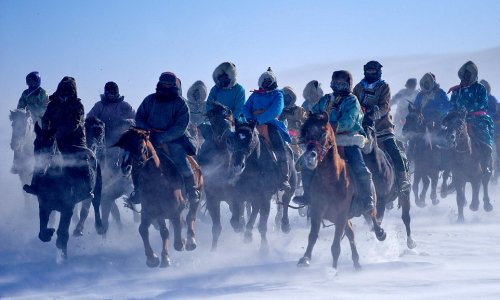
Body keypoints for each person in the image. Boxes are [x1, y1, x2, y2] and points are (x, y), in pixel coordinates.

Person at [293, 70, 375, 213]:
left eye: (341, 84)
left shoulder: (351, 100)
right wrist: (309, 121)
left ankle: (368, 198)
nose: (338, 87)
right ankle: (307, 195)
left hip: (347, 138)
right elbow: (315, 113)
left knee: (359, 166)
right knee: (307, 162)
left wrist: (331, 127)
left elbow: (349, 120)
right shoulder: (326, 99)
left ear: (348, 85)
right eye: (335, 83)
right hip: (324, 140)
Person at [135, 72, 200, 206]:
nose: (166, 86)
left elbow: (181, 126)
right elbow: (139, 117)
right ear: (159, 84)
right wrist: (148, 132)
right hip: (149, 137)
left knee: (180, 158)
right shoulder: (149, 100)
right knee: (135, 159)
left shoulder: (180, 103)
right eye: (164, 84)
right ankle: (137, 191)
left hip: (173, 139)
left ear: (174, 86)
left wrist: (163, 137)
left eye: (169, 84)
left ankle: (192, 190)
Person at [24, 76, 93, 202]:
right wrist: (46, 130)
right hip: (53, 135)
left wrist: (58, 132)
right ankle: (35, 185)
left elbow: (74, 123)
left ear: (73, 92)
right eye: (63, 91)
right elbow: (46, 118)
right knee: (41, 151)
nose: (65, 94)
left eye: (68, 91)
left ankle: (86, 190)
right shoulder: (53, 103)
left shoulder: (78, 105)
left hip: (74, 138)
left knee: (82, 158)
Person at [353, 61, 410, 193]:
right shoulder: (358, 87)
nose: (370, 74)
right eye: (368, 71)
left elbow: (385, 106)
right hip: (362, 128)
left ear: (378, 72)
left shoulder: (384, 87)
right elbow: (353, 103)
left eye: (373, 71)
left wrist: (374, 113)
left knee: (394, 148)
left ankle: (403, 179)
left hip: (382, 127)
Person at [242, 68, 291, 191]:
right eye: (264, 80)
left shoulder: (278, 94)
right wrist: (250, 119)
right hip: (252, 124)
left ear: (273, 81)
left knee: (279, 146)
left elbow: (276, 110)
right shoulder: (255, 94)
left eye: (268, 80)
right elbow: (246, 108)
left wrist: (259, 119)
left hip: (271, 124)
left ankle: (284, 178)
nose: (266, 82)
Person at [448, 61, 494, 175]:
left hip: (477, 119)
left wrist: (468, 110)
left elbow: (483, 104)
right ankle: (447, 169)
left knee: (485, 141)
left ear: (473, 75)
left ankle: (485, 165)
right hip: (458, 118)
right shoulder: (456, 90)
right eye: (464, 74)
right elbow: (452, 105)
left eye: (468, 74)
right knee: (447, 135)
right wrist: (456, 112)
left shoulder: (480, 88)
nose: (466, 76)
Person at [86, 81, 135, 168]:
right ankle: (97, 164)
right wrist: (97, 121)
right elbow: (89, 117)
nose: (110, 95)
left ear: (117, 93)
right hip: (103, 137)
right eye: (108, 93)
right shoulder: (99, 105)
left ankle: (126, 167)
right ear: (105, 93)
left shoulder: (124, 105)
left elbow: (136, 119)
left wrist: (126, 122)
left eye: (113, 93)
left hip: (121, 136)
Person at [279, 86, 307, 155]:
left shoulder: (299, 110)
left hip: (295, 138)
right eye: (284, 97)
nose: (286, 100)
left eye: (288, 97)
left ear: (293, 98)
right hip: (279, 137)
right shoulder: (277, 111)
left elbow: (306, 124)